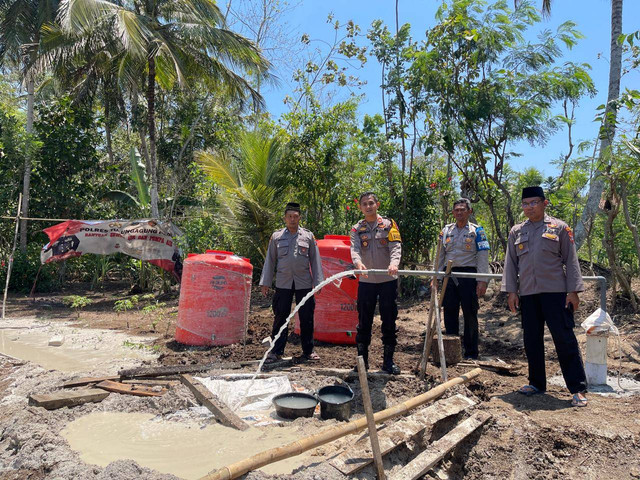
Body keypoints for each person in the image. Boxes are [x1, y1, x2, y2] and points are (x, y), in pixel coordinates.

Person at [502, 186, 588, 407]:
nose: (529, 207)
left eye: (534, 203)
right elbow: (511, 264)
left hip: (556, 294)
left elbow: (571, 261)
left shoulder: (559, 228)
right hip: (528, 294)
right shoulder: (516, 231)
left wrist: (573, 291)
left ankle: (577, 388)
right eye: (525, 204)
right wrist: (512, 291)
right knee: (532, 339)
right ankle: (536, 383)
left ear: (544, 203)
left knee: (564, 338)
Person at [260, 202, 324, 362]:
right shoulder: (277, 237)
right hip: (283, 283)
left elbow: (315, 261)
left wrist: (318, 282)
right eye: (289, 216)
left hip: (304, 283)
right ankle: (276, 351)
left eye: (295, 217)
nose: (292, 219)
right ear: (285, 218)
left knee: (307, 317)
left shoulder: (308, 236)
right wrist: (265, 282)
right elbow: (270, 260)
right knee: (281, 316)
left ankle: (308, 351)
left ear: (299, 218)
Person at [350, 192, 402, 374]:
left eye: (371, 203)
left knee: (389, 320)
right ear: (360, 207)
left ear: (377, 204)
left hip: (387, 280)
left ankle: (388, 362)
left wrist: (394, 264)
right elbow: (354, 249)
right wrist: (357, 263)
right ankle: (362, 362)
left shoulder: (388, 225)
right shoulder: (357, 229)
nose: (368, 206)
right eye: (364, 204)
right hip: (367, 281)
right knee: (364, 321)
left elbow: (395, 247)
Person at [438, 198, 490, 359]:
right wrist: (436, 276)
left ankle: (471, 353)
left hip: (469, 276)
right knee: (449, 312)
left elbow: (483, 256)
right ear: (453, 213)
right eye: (456, 210)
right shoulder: (446, 230)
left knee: (470, 313)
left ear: (469, 212)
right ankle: (451, 352)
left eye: (462, 209)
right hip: (449, 275)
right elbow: (440, 255)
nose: (459, 212)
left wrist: (482, 280)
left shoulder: (477, 231)